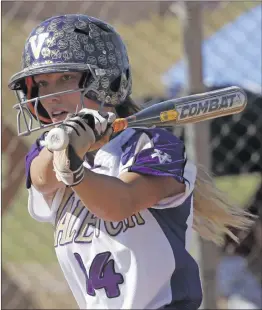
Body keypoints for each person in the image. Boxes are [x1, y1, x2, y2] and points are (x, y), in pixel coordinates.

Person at [8, 14, 253, 310]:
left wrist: (73, 170)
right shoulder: (47, 151)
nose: (51, 96)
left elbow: (119, 204)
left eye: (65, 79)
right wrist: (68, 145)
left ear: (106, 81)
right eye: (42, 84)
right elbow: (41, 178)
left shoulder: (153, 147)